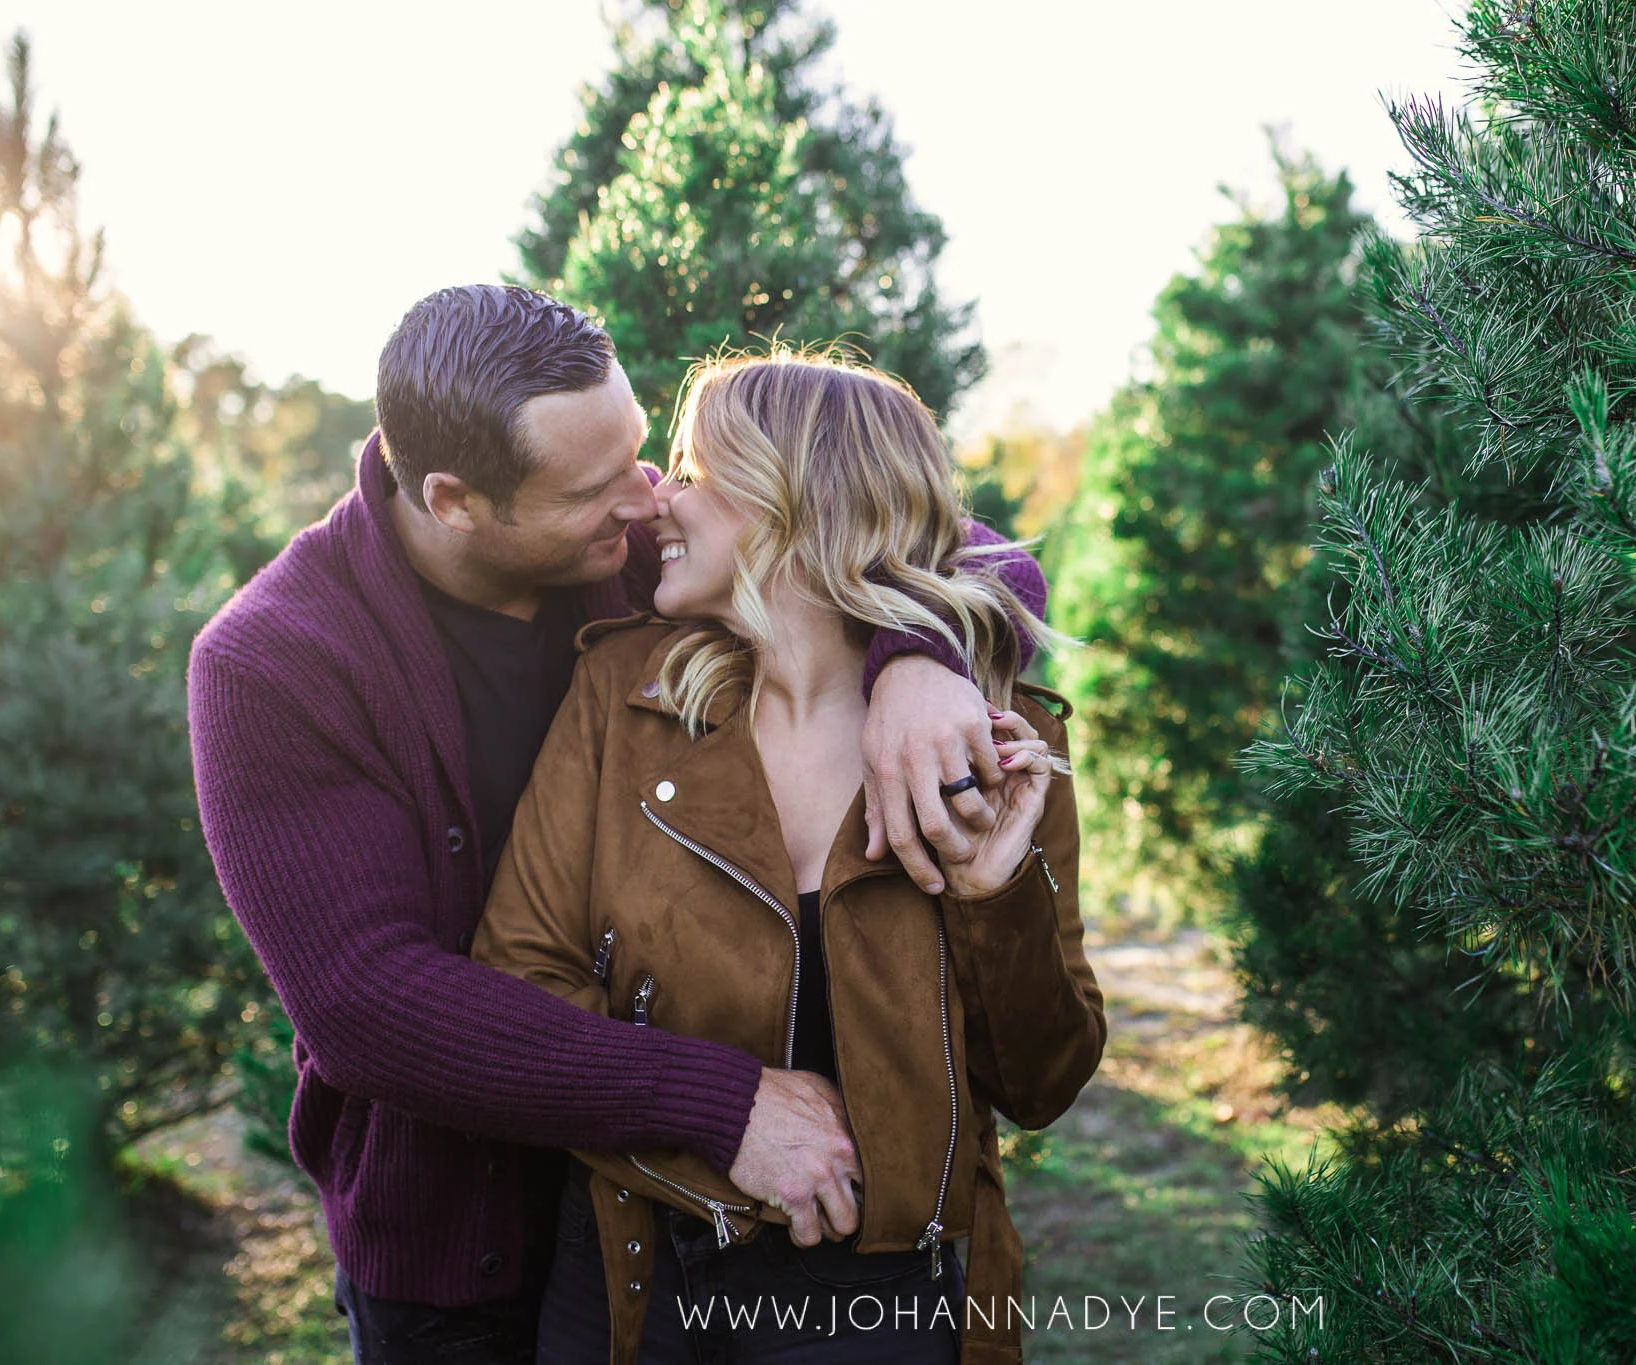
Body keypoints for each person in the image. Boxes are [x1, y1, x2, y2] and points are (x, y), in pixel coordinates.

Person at [187, 286, 1049, 1364]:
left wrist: (924, 660)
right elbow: (366, 1003)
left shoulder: (656, 558)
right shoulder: (276, 664)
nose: (646, 499)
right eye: (595, 488)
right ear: (456, 500)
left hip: (671, 1227)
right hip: (462, 1250)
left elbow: (936, 539)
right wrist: (716, 1100)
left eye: (645, 454)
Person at [471, 349, 1106, 1365]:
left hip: (881, 1307)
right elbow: (521, 978)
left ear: (792, 501)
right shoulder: (622, 700)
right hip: (631, 1281)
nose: (655, 502)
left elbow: (1040, 1085)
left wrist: (996, 899)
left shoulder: (988, 738)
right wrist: (723, 1130)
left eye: (690, 470)